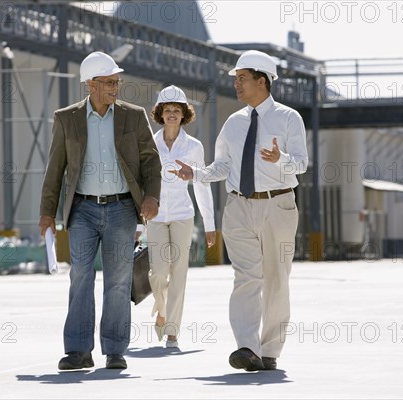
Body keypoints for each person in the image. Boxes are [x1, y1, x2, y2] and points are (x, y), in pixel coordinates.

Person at [172, 50, 308, 371]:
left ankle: (270, 349)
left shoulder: (289, 118)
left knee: (276, 279)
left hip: (278, 204)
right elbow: (223, 165)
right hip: (239, 207)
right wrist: (197, 174)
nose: (236, 84)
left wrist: (281, 159)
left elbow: (301, 164)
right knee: (246, 277)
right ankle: (248, 347)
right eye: (235, 79)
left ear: (262, 81)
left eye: (242, 78)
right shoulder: (234, 123)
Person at [38, 51, 162, 370]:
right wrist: (47, 212)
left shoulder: (133, 116)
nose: (115, 87)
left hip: (121, 207)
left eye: (116, 81)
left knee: (119, 279)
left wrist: (152, 197)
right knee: (80, 275)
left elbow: (150, 161)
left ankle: (115, 349)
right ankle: (79, 350)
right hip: (82, 209)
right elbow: (55, 168)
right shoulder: (66, 118)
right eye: (108, 82)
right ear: (90, 85)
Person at [147, 85, 216, 349]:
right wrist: (136, 222)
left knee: (179, 272)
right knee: (159, 271)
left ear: (184, 114)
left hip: (182, 215)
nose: (172, 115)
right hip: (154, 215)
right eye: (168, 111)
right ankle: (161, 310)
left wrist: (209, 225)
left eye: (177, 110)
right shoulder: (149, 143)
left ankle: (172, 331)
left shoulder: (194, 147)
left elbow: (201, 184)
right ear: (160, 114)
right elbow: (141, 183)